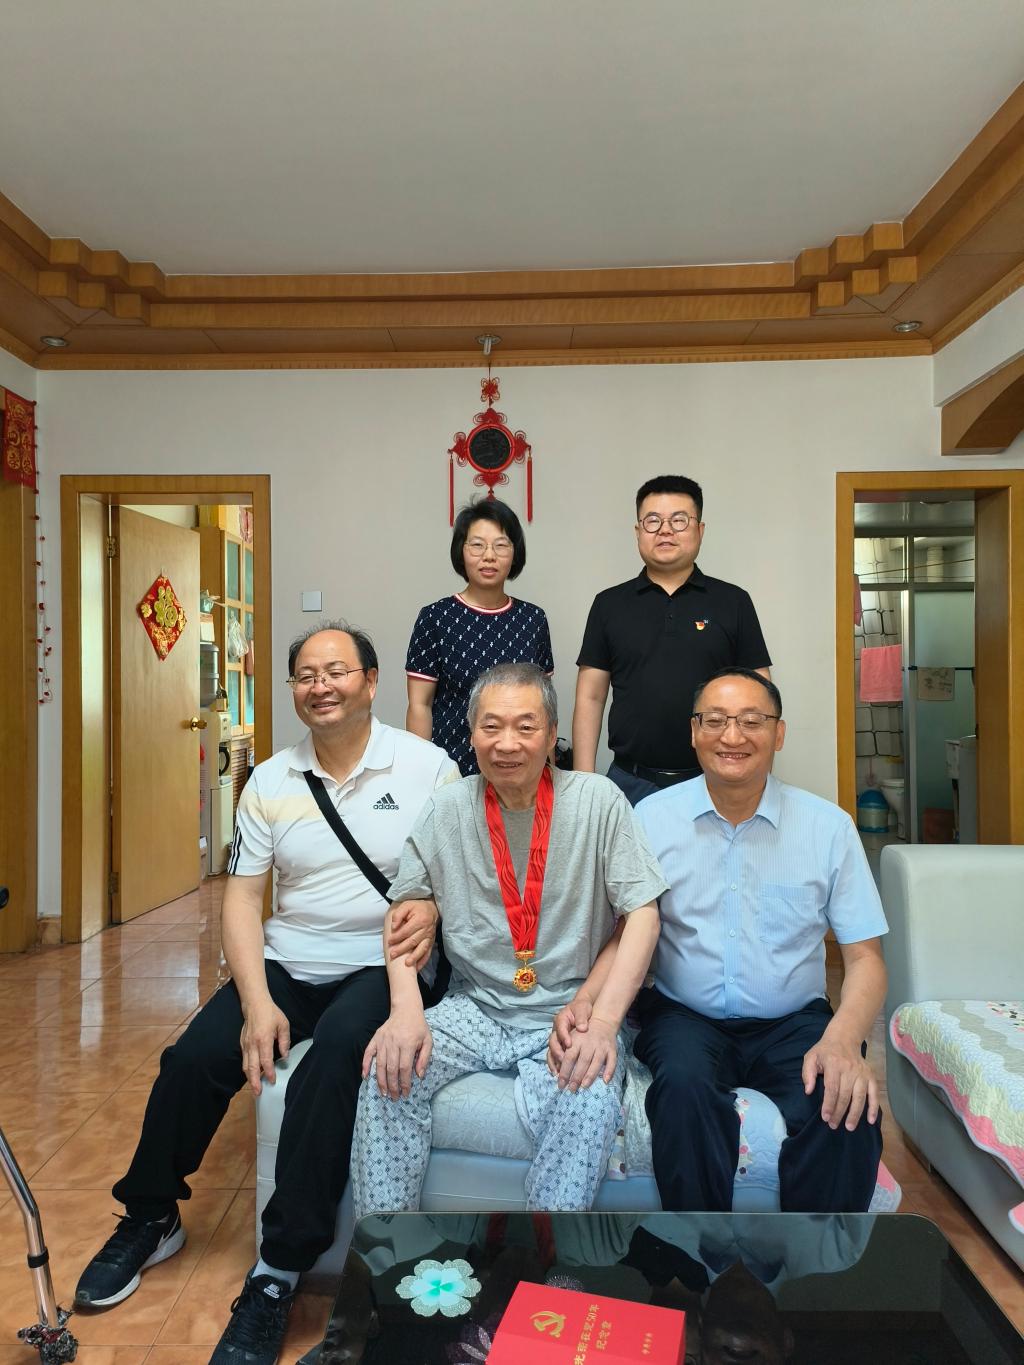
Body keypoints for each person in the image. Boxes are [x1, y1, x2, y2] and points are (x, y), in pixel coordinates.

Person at [74, 622, 458, 1365]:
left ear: (371, 682)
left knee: (333, 1060)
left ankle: (279, 1268)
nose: (321, 686)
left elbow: (456, 869)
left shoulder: (426, 767)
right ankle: (151, 1215)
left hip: (381, 963)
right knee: (192, 1059)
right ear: (292, 690)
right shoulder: (272, 781)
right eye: (306, 675)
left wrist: (434, 910)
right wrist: (255, 1002)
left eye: (337, 671)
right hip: (290, 958)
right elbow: (244, 899)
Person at [555, 668, 888, 1214]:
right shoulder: (651, 818)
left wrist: (844, 1039)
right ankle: (700, 1256)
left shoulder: (828, 828)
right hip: (685, 1018)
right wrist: (588, 1000)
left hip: (793, 1022)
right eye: (715, 721)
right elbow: (627, 931)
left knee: (846, 1109)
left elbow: (866, 959)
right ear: (694, 732)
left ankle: (807, 1261)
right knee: (683, 1092)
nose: (732, 736)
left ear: (779, 734)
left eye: (752, 721)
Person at [351, 661, 665, 1215]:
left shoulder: (598, 801)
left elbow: (641, 914)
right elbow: (405, 911)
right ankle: (390, 1248)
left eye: (526, 726)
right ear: (471, 734)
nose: (507, 743)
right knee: (387, 1072)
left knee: (590, 1099)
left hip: (568, 1011)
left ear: (552, 734)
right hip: (475, 1007)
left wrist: (604, 1023)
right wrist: (404, 1010)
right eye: (491, 726)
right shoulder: (448, 808)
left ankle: (543, 1253)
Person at [573, 474, 772, 804]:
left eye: (679, 520)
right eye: (652, 521)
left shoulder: (734, 602)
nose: (665, 530)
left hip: (714, 780)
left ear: (700, 530)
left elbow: (760, 697)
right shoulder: (608, 604)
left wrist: (757, 779)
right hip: (629, 782)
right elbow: (591, 696)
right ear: (638, 532)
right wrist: (584, 782)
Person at [406, 498, 554, 775]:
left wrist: (549, 775)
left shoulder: (533, 619)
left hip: (521, 769)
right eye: (477, 545)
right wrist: (421, 776)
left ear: (515, 552)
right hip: (452, 769)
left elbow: (543, 708)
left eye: (501, 545)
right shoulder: (435, 617)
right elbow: (419, 705)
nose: (489, 556)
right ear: (460, 551)